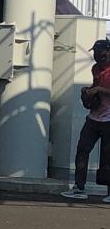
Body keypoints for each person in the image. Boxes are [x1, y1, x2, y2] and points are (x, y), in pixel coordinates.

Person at [62, 38, 110, 200]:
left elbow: (102, 89)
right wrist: (88, 91)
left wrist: (98, 89)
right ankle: (79, 188)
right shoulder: (96, 69)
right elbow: (95, 87)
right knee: (82, 150)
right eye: (95, 53)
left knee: (107, 156)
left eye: (101, 53)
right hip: (94, 117)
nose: (98, 56)